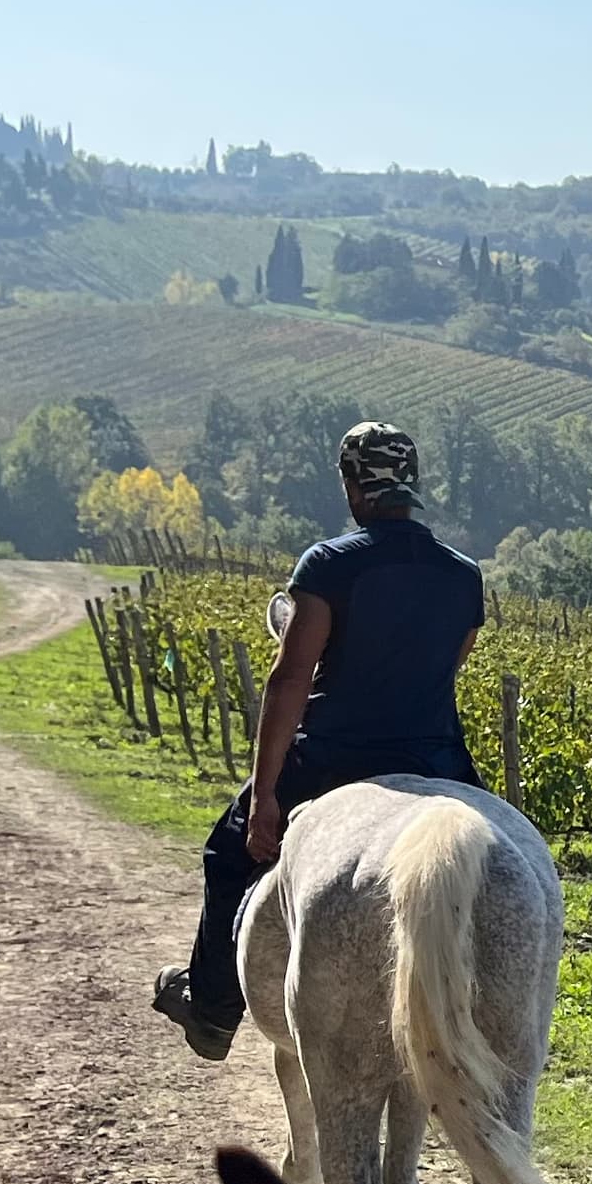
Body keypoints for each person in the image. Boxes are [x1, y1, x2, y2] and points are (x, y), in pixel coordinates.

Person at [154, 421, 486, 1060]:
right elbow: (446, 666)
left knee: (227, 855)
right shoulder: (463, 575)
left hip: (334, 757)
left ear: (353, 485)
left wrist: (265, 798)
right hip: (436, 760)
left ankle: (214, 1009)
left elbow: (289, 684)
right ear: (412, 483)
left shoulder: (330, 564)